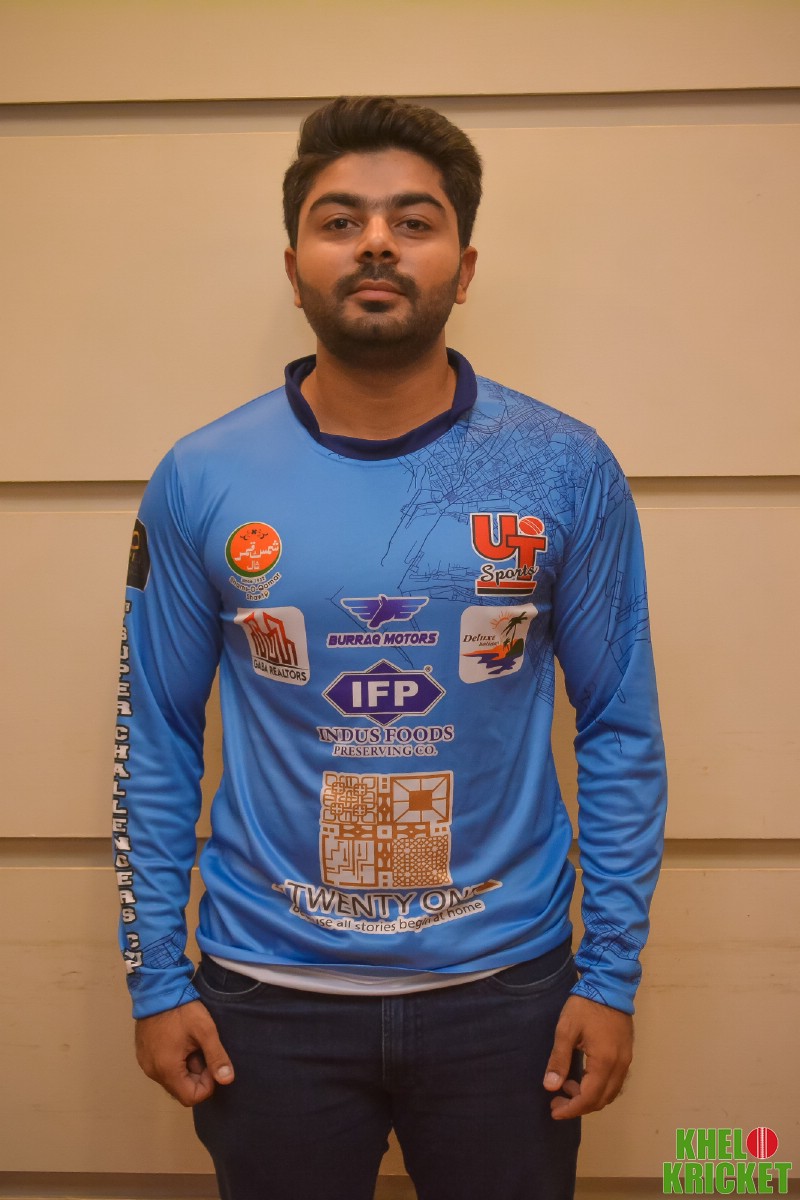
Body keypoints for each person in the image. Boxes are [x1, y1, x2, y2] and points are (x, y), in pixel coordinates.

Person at [115, 95, 667, 1200]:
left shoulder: (563, 467)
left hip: (505, 992)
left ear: (465, 268)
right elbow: (156, 734)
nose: (375, 243)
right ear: (294, 268)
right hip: (266, 999)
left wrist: (609, 977)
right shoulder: (201, 477)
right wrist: (155, 978)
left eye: (413, 221)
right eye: (340, 221)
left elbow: (618, 727)